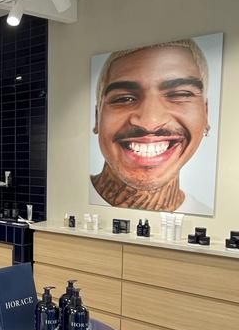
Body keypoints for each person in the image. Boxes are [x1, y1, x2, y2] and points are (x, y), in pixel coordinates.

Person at [90, 38, 212, 213]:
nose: (150, 122)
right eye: (124, 99)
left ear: (206, 115)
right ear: (97, 117)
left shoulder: (206, 216)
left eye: (178, 95)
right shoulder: (62, 199)